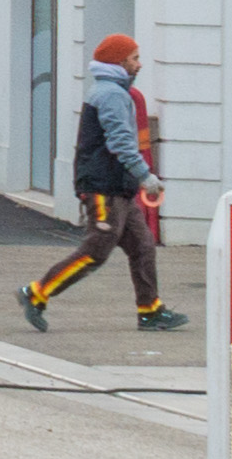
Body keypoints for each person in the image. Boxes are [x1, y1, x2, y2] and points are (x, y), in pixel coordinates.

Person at [23, 30, 172, 326]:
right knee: (96, 251)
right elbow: (120, 143)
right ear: (119, 62)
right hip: (104, 189)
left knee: (142, 246)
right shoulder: (111, 95)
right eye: (135, 58)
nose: (139, 64)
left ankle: (150, 310)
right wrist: (146, 177)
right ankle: (37, 293)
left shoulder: (114, 92)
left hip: (118, 188)